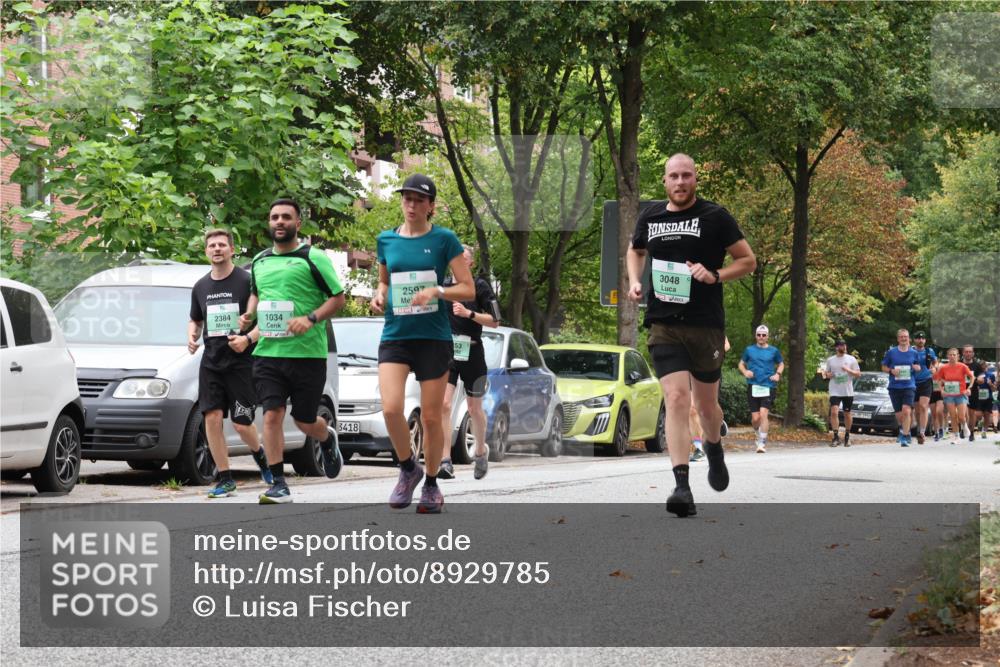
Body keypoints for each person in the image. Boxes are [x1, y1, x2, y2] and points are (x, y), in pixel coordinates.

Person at [626, 153, 756, 518]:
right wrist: (635, 282)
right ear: (664, 181)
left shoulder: (715, 216)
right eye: (674, 177)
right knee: (677, 398)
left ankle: (714, 446)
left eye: (686, 176)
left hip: (705, 324)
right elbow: (634, 251)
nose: (680, 182)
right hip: (664, 323)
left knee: (706, 406)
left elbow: (748, 261)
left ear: (695, 180)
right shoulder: (651, 217)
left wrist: (714, 275)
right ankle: (681, 485)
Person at [371, 174, 474, 514]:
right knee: (390, 408)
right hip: (396, 335)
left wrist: (437, 291)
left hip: (433, 337)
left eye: (418, 199)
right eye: (407, 198)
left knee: (431, 418)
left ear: (430, 206)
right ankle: (407, 468)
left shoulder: (444, 240)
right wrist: (378, 295)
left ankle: (430, 484)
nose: (411, 204)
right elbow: (384, 283)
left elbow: (468, 289)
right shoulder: (386, 240)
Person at [240, 198, 347, 503]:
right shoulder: (260, 261)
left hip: (307, 354)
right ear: (269, 223)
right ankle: (277, 483)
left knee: (304, 420)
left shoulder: (313, 257)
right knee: (272, 415)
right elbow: (257, 295)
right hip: (268, 352)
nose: (279, 222)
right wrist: (249, 315)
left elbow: (337, 299)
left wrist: (310, 318)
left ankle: (326, 437)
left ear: (298, 223)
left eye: (286, 217)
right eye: (274, 217)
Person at [188, 228, 272, 497]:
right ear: (206, 252)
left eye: (222, 244)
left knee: (241, 423)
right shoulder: (201, 286)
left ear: (232, 249)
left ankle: (260, 456)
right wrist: (191, 336)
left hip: (241, 363)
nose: (216, 249)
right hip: (211, 362)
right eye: (211, 245)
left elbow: (268, 320)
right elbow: (196, 319)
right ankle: (225, 478)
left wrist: (247, 339)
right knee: (211, 418)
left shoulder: (247, 282)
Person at [439, 244, 500, 480]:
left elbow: (495, 321)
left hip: (473, 352)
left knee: (474, 408)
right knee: (444, 404)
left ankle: (481, 450)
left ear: (470, 264)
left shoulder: (480, 286)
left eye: (463, 259)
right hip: (448, 353)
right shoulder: (444, 287)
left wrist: (470, 314)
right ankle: (445, 460)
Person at [738, 325, 784, 453]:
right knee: (755, 418)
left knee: (764, 414)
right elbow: (741, 363)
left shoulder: (773, 351)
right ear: (756, 336)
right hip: (753, 386)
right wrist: (745, 371)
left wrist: (777, 374)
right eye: (759, 335)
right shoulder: (749, 350)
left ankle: (762, 443)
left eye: (764, 335)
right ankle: (757, 432)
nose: (761, 337)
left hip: (768, 385)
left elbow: (781, 363)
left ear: (767, 336)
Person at [690, 337, 731, 463]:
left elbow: (726, 345)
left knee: (708, 409)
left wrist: (712, 356)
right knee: (692, 409)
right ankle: (698, 449)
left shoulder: (710, 319)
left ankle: (718, 421)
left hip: (710, 370)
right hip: (690, 371)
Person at [881, 329, 922, 447]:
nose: (904, 339)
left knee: (906, 410)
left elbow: (918, 366)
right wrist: (891, 370)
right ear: (898, 339)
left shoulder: (914, 353)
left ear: (909, 338)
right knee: (899, 415)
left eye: (906, 337)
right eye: (902, 337)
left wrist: (917, 367)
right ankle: (904, 430)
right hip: (894, 386)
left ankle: (904, 436)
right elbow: (883, 367)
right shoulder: (891, 352)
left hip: (909, 385)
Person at [819, 339, 861, 448]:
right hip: (835, 390)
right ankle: (836, 436)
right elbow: (826, 374)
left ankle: (847, 435)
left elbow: (858, 374)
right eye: (841, 346)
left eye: (844, 345)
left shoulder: (851, 359)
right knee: (834, 412)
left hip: (847, 390)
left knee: (847, 413)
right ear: (836, 348)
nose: (843, 347)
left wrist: (848, 370)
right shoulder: (831, 360)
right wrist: (828, 375)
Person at [933, 348, 974, 444]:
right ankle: (956, 437)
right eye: (950, 355)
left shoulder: (963, 366)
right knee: (952, 415)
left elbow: (972, 377)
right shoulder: (943, 368)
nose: (952, 356)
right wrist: (941, 390)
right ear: (947, 356)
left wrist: (969, 388)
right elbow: (938, 379)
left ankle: (964, 425)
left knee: (961, 416)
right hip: (949, 394)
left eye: (954, 355)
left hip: (961, 394)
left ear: (958, 356)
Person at [910, 332, 937, 444]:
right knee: (917, 410)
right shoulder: (910, 351)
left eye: (922, 338)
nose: (920, 340)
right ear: (914, 340)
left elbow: (935, 362)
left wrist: (935, 368)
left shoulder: (929, 351)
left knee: (923, 406)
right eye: (918, 338)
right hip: (913, 382)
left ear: (925, 340)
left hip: (926, 381)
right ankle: (917, 428)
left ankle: (922, 432)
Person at [961, 345, 988, 441]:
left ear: (973, 353)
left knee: (972, 413)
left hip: (973, 391)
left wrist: (976, 378)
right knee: (962, 413)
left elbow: (981, 380)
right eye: (966, 352)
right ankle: (964, 427)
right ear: (963, 353)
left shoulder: (977, 366)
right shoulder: (959, 364)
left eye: (970, 352)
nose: (968, 353)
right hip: (961, 391)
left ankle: (971, 432)